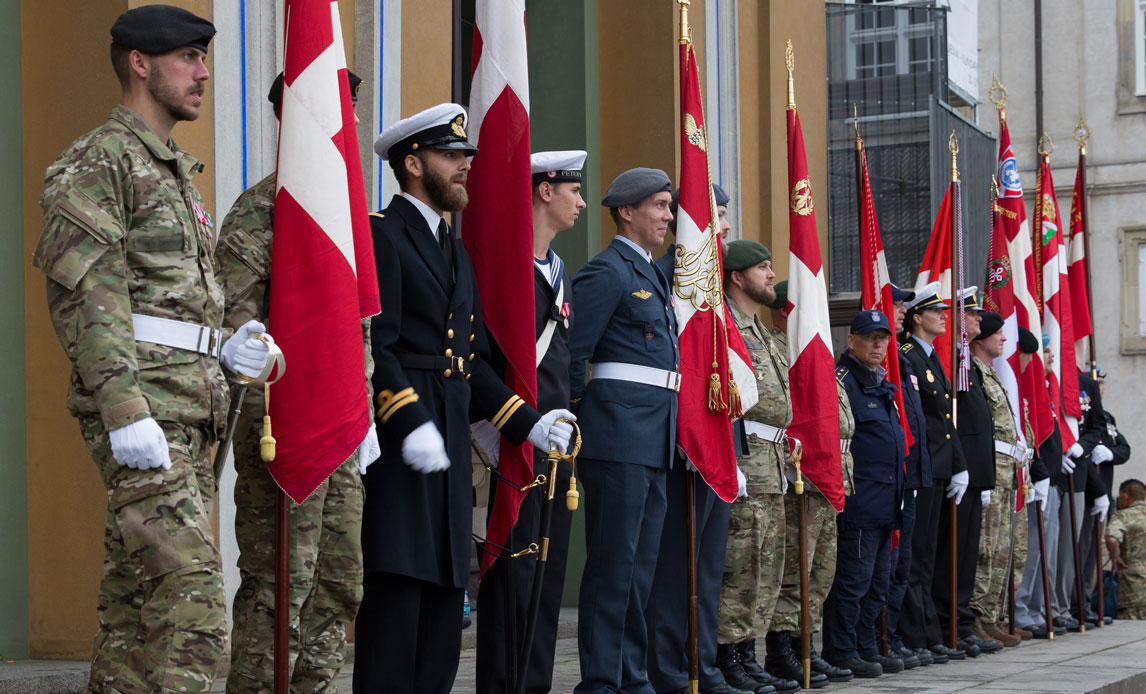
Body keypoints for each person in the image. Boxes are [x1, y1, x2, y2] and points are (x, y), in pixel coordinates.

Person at [33, 6, 275, 692]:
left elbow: (166, 304)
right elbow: (87, 293)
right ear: (140, 63)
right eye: (188, 58)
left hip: (190, 413)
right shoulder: (100, 159)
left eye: (203, 58)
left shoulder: (171, 171)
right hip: (147, 416)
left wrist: (228, 346)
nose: (203, 73)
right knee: (194, 610)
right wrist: (123, 406)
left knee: (135, 613)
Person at [354, 103, 574, 694]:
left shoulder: (456, 250)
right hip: (406, 449)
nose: (463, 168)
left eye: (465, 158)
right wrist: (407, 419)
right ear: (412, 162)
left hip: (448, 444)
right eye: (451, 157)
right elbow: (377, 344)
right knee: (400, 605)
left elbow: (470, 362)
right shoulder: (383, 233)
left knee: (448, 608)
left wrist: (526, 423)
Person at [214, 70, 373, 692]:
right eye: (339, 109)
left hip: (342, 424)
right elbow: (236, 326)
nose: (351, 122)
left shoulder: (343, 214)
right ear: (299, 117)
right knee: (280, 585)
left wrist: (362, 405)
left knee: (339, 583)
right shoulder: (260, 213)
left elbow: (358, 324)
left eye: (351, 109)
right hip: (282, 429)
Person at [475, 149, 586, 694]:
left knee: (548, 576)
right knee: (514, 576)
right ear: (545, 191)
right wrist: (523, 425)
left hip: (558, 444)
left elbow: (566, 359)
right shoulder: (506, 267)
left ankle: (536, 684)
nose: (582, 202)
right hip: (515, 440)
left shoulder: (558, 270)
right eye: (574, 190)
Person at [568, 167, 680, 694]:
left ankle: (631, 677)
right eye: (658, 205)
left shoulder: (653, 274)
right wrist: (571, 419)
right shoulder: (607, 272)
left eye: (668, 205)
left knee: (641, 568)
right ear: (627, 212)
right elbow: (572, 354)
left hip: (653, 435)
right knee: (614, 566)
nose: (668, 215)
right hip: (616, 433)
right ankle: (601, 681)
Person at [646, 203, 763, 694]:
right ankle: (672, 670)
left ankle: (704, 664)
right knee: (678, 565)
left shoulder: (711, 284)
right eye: (716, 213)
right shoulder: (668, 279)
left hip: (720, 442)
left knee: (710, 566)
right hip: (684, 444)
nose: (727, 225)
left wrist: (733, 449)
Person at [707, 240, 800, 694]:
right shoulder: (725, 325)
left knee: (767, 565)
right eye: (762, 268)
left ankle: (748, 653)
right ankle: (726, 656)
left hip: (774, 464)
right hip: (745, 459)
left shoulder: (760, 330)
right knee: (739, 566)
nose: (770, 275)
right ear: (737, 277)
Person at [762, 281, 848, 688]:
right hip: (798, 472)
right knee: (794, 569)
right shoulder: (779, 350)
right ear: (784, 312)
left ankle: (805, 648)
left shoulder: (815, 355)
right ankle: (781, 652)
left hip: (825, 474)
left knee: (820, 571)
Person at [821, 310, 906, 679]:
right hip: (859, 501)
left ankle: (866, 646)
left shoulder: (880, 382)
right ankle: (841, 649)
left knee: (878, 583)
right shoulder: (843, 381)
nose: (877, 344)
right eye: (870, 337)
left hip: (886, 502)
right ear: (851, 339)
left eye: (883, 338)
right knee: (852, 582)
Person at [897, 282, 969, 662]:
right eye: (936, 311)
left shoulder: (931, 356)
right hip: (920, 468)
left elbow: (944, 418)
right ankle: (916, 634)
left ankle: (927, 632)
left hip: (937, 467)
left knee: (928, 554)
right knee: (917, 555)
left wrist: (958, 465)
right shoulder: (908, 354)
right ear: (917, 317)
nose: (944, 316)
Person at [936, 288, 1000, 656]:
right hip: (958, 471)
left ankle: (960, 620)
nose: (978, 318)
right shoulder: (952, 357)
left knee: (967, 553)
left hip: (974, 472)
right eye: (971, 313)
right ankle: (949, 624)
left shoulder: (965, 359)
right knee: (951, 552)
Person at [968, 312, 1026, 648]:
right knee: (986, 548)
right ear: (981, 339)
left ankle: (990, 616)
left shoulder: (990, 373)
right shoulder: (972, 371)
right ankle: (975, 616)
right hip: (991, 468)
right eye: (998, 334)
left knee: (1002, 548)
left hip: (1006, 470)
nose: (1004, 339)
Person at [882, 284, 932, 668]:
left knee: (904, 565)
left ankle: (893, 636)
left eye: (902, 304)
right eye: (897, 302)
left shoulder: (903, 360)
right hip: (887, 478)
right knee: (884, 564)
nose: (902, 308)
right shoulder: (891, 360)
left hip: (910, 475)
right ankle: (880, 638)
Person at [1013, 330, 1063, 639]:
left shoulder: (1044, 389)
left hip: (1043, 477)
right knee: (1024, 548)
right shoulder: (1019, 383)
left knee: (1037, 551)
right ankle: (1019, 609)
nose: (1049, 357)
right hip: (1022, 476)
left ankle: (1031, 608)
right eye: (1042, 352)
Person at [1105, 479, 1146, 618]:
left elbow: (1111, 538)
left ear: (1125, 495)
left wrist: (1114, 556)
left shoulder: (1123, 516)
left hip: (1133, 592)